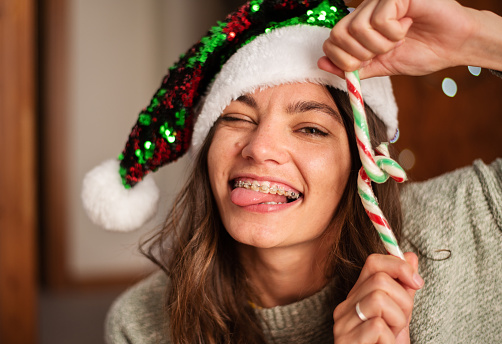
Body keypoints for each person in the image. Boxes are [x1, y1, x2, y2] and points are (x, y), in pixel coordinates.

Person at [81, 0, 502, 343]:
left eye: (311, 128)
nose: (260, 148)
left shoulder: (473, 218)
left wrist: (479, 40)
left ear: (364, 160)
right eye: (236, 118)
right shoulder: (142, 324)